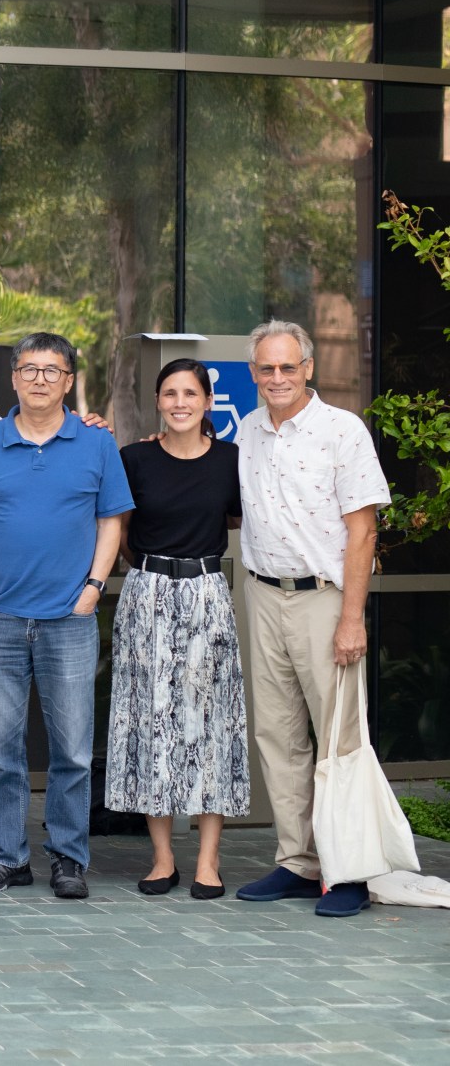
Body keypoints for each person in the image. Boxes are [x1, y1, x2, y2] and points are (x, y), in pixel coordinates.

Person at [0, 333, 132, 900]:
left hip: (69, 617)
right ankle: (7, 858)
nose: (39, 379)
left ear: (69, 380)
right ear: (13, 379)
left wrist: (94, 587)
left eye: (52, 370)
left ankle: (68, 858)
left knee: (73, 751)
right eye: (29, 369)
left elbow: (112, 521)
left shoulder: (97, 444)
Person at [233, 320, 390, 918]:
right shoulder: (248, 431)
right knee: (278, 737)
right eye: (266, 369)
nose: (277, 378)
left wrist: (353, 618)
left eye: (288, 367)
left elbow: (363, 530)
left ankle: (349, 870)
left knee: (341, 740)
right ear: (254, 374)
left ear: (309, 369)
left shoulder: (342, 432)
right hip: (264, 595)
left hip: (326, 599)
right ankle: (299, 862)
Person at [109, 359, 249, 900]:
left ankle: (208, 861)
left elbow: (237, 517)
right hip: (146, 593)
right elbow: (120, 531)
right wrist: (146, 571)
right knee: (150, 720)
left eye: (191, 393)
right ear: (158, 401)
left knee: (213, 723)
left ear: (208, 402)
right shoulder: (135, 457)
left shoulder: (231, 459)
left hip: (207, 593)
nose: (180, 402)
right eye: (170, 393)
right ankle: (162, 858)